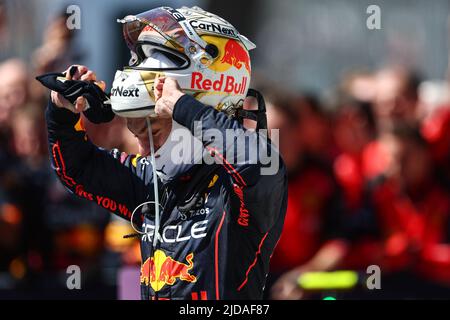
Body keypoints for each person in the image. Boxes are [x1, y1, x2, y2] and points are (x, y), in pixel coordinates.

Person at [43, 6, 287, 300]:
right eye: (135, 129)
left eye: (153, 128)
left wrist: (183, 106)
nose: (142, 146)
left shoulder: (236, 186)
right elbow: (77, 170)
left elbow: (259, 161)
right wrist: (62, 113)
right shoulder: (152, 178)